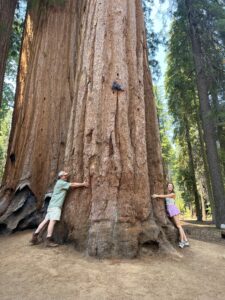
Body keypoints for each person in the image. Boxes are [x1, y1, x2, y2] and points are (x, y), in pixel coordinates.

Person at [30, 170, 89, 247]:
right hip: (56, 207)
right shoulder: (61, 183)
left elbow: (69, 186)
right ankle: (48, 240)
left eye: (66, 176)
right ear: (61, 177)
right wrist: (83, 184)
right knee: (52, 222)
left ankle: (35, 236)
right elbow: (72, 184)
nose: (66, 177)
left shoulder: (60, 183)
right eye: (64, 176)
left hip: (51, 206)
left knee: (45, 221)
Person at [152, 183, 189, 249]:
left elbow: (165, 196)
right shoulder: (169, 193)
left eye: (171, 186)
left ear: (172, 188)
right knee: (179, 226)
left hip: (174, 210)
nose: (170, 187)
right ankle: (186, 241)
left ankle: (182, 241)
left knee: (179, 226)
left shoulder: (172, 194)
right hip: (171, 211)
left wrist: (157, 195)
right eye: (169, 186)